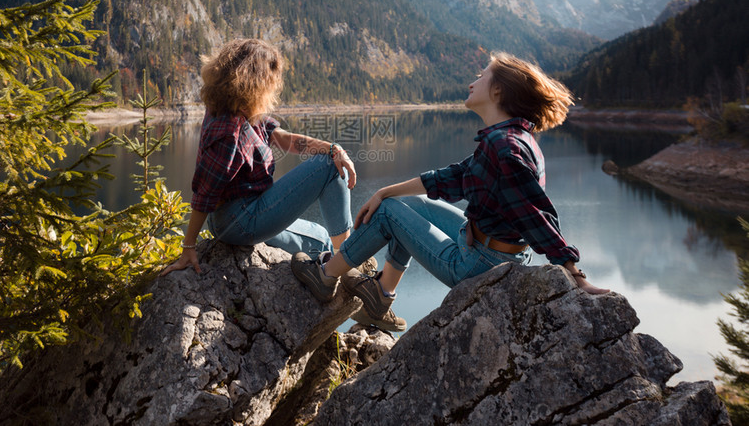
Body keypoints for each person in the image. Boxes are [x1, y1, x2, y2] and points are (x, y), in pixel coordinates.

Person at [292, 52, 609, 332]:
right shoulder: (505, 138)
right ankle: (380, 296)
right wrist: (385, 191)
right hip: (490, 251)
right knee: (402, 204)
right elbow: (453, 177)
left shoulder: (504, 146)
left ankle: (325, 275)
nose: (473, 82)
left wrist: (573, 272)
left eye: (481, 76)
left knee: (389, 214)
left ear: (497, 90)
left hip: (479, 266)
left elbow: (534, 215)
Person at [159, 38, 357, 278]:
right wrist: (188, 247)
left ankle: (339, 261)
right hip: (239, 219)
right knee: (328, 165)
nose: (274, 87)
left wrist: (333, 147)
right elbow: (204, 193)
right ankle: (348, 265)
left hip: (245, 213)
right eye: (272, 79)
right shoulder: (227, 129)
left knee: (321, 241)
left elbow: (285, 140)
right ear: (257, 81)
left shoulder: (243, 110)